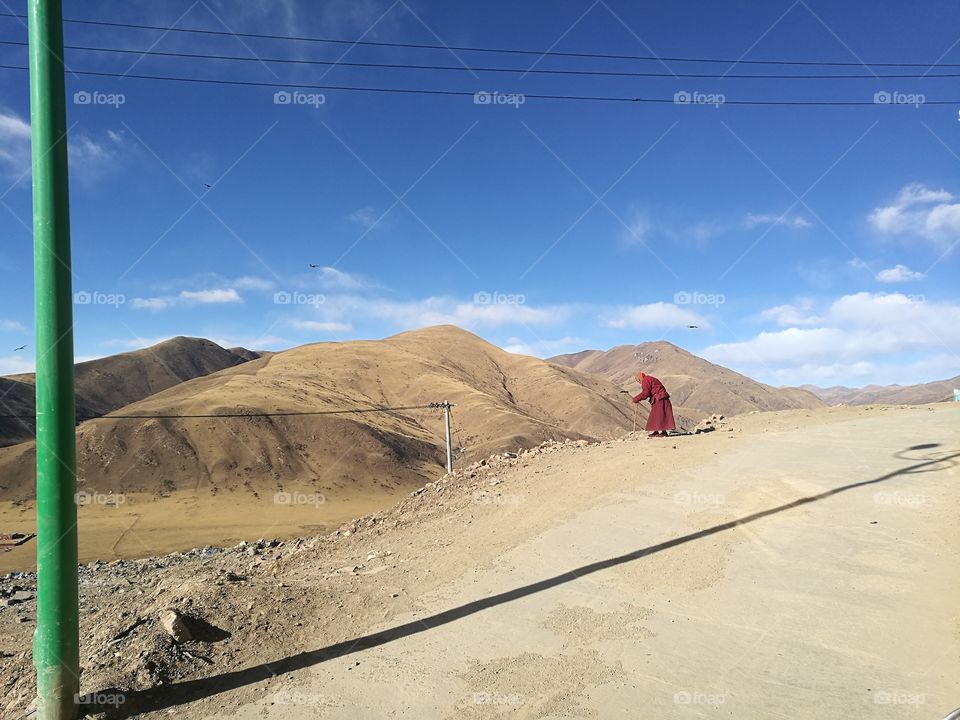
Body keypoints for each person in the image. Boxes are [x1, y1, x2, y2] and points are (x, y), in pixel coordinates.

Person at [631, 371, 676, 437]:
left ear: (639, 378)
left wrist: (636, 399)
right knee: (657, 416)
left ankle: (663, 432)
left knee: (659, 415)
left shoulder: (645, 380)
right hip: (660, 398)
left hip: (659, 399)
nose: (639, 383)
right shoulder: (649, 379)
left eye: (638, 381)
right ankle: (656, 431)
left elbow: (645, 393)